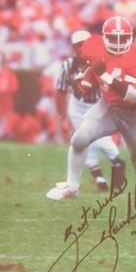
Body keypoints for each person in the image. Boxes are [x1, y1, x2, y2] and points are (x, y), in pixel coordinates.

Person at [46, 16, 136, 222]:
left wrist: (106, 77)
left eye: (123, 38)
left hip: (133, 113)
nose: (118, 43)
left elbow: (133, 96)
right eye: (113, 38)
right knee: (79, 139)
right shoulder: (93, 45)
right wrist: (85, 80)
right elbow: (95, 67)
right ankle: (72, 186)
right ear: (104, 37)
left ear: (131, 38)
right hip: (107, 106)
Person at [52, 30, 125, 192]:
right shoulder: (68, 66)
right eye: (79, 45)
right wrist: (62, 117)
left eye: (85, 43)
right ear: (74, 48)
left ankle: (116, 160)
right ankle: (99, 177)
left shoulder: (103, 61)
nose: (83, 47)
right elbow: (60, 91)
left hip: (97, 104)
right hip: (77, 105)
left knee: (101, 140)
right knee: (82, 140)